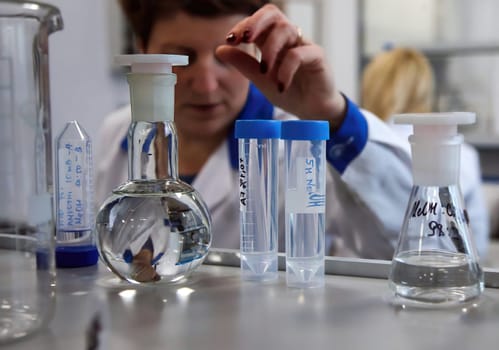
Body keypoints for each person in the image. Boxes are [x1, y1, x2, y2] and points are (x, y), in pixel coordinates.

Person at [96, 0, 414, 260]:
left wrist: (333, 116)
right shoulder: (115, 135)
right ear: (141, 49)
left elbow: (411, 246)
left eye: (228, 59)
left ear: (258, 53)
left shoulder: (299, 145)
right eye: (184, 57)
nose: (206, 85)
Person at [361, 47, 490, 258]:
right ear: (424, 91)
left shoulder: (357, 148)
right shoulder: (465, 154)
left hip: (360, 278)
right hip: (449, 278)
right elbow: (478, 245)